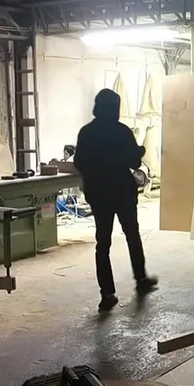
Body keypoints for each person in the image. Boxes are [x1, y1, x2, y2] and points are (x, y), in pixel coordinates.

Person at [74, 89, 158, 310]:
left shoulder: (86, 133)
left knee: (103, 243)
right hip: (122, 192)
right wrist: (139, 151)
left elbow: (79, 162)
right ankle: (141, 279)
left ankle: (107, 294)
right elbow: (134, 162)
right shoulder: (122, 131)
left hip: (99, 194)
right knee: (132, 235)